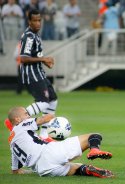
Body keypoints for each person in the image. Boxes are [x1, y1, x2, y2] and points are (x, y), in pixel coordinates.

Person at [8, 106, 114, 177]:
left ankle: (88, 170)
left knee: (76, 167)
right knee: (94, 136)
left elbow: (16, 171)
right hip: (49, 152)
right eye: (26, 114)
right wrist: (53, 119)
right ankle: (94, 150)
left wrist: (32, 171)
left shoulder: (12, 142)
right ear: (17, 119)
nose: (29, 116)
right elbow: (45, 119)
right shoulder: (21, 125)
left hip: (43, 169)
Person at [5, 9, 58, 141]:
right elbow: (23, 58)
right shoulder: (28, 36)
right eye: (34, 20)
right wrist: (43, 60)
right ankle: (14, 121)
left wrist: (44, 61)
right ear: (29, 21)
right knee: (44, 102)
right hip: (32, 74)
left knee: (53, 100)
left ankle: (44, 135)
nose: (38, 23)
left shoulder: (35, 35)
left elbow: (35, 55)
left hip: (39, 73)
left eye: (39, 20)